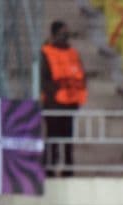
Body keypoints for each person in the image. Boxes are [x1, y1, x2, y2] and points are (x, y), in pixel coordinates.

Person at [40, 20, 87, 176]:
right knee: (52, 137)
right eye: (62, 32)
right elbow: (44, 79)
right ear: (54, 34)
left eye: (66, 32)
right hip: (53, 103)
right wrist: (52, 94)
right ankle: (50, 167)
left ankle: (68, 168)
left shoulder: (73, 53)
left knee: (67, 138)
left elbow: (81, 77)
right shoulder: (46, 52)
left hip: (70, 102)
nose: (65, 36)